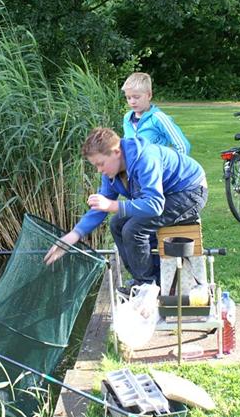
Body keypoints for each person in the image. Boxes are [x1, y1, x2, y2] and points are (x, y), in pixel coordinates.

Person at [44, 128, 207, 287]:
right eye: (96, 166)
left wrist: (113, 205)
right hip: (167, 195)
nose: (99, 170)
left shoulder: (146, 159)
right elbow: (102, 206)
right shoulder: (110, 173)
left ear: (116, 152)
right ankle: (143, 279)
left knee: (133, 229)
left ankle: (147, 286)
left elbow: (155, 205)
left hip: (190, 192)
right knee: (117, 224)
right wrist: (73, 235)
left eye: (101, 164)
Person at [121, 72, 191, 155]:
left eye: (136, 97)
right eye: (128, 98)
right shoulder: (127, 118)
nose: (132, 102)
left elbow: (183, 146)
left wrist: (171, 162)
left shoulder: (159, 118)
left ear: (149, 95)